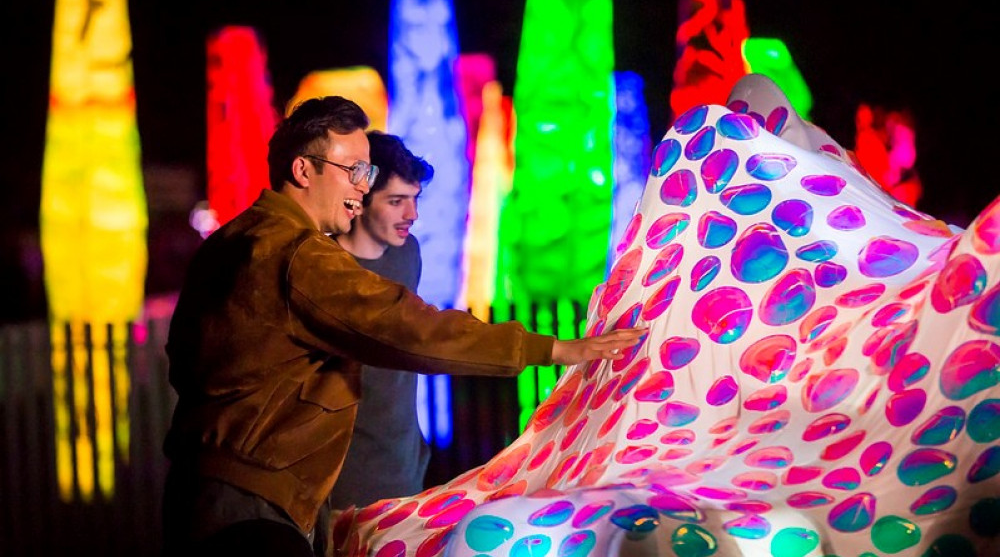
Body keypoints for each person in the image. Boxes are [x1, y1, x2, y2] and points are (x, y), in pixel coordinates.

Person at [160, 95, 646, 557]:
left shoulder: (230, 241)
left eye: (367, 171)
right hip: (254, 511)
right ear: (303, 170)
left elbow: (181, 358)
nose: (361, 185)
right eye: (353, 170)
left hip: (204, 497)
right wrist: (556, 349)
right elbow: (409, 327)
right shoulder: (298, 255)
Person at [328, 130, 434, 510]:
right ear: (361, 201)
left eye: (415, 200)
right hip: (342, 480)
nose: (413, 214)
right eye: (396, 201)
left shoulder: (408, 254)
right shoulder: (323, 267)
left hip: (405, 464)